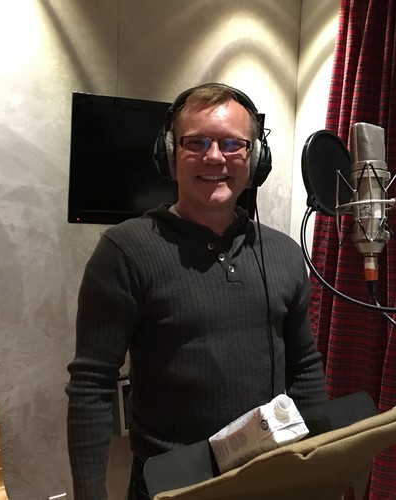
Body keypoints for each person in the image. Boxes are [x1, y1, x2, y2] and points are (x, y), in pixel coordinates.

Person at [66, 83, 327, 500]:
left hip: (270, 478)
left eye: (232, 144)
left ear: (255, 158)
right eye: (196, 142)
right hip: (171, 485)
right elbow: (92, 385)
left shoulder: (283, 253)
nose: (215, 157)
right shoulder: (125, 250)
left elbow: (305, 367)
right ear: (170, 154)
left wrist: (317, 472)